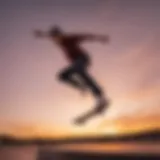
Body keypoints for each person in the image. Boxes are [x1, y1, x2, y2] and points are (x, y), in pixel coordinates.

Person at [33, 26, 110, 117]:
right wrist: (41, 34)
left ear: (61, 35)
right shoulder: (59, 41)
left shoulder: (69, 38)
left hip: (83, 58)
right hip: (75, 64)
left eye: (57, 37)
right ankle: (82, 87)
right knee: (62, 76)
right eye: (55, 39)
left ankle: (100, 97)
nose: (56, 41)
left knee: (78, 70)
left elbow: (85, 36)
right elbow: (49, 36)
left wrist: (100, 38)